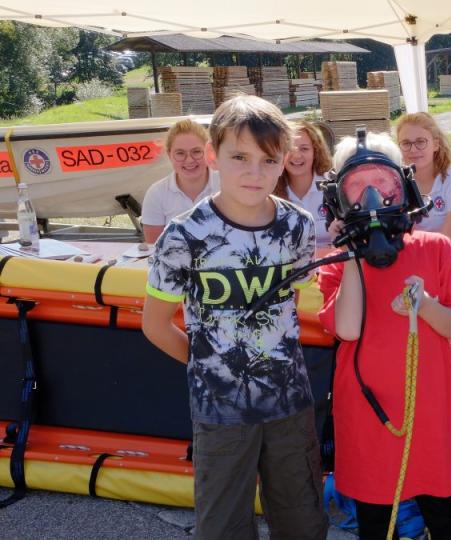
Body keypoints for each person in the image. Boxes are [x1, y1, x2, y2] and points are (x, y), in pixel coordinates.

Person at [141, 95, 327, 540]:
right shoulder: (183, 234)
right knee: (223, 525)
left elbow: (293, 306)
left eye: (268, 160)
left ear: (285, 160)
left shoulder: (298, 227)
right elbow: (155, 324)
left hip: (289, 401)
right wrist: (209, 366)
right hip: (220, 409)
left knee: (301, 517)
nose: (254, 172)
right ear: (213, 156)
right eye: (239, 157)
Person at [317, 131, 451, 540]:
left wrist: (427, 306)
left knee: (440, 509)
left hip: (427, 407)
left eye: (382, 183)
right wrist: (352, 253)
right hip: (367, 411)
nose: (371, 196)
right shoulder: (337, 262)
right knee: (374, 515)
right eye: (357, 187)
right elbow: (347, 328)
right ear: (339, 197)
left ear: (401, 186)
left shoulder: (436, 247)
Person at [396, 112, 451, 277]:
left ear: (435, 144)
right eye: (406, 143)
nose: (413, 149)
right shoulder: (395, 183)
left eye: (421, 142)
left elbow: (449, 244)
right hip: (411, 267)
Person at [141, 119, 220, 243]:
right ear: (169, 155)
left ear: (208, 152)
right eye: (180, 153)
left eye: (196, 152)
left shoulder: (227, 185)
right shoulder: (156, 194)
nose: (189, 160)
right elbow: (154, 249)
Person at [274, 120, 336, 247]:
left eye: (304, 149)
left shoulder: (333, 186)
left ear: (315, 152)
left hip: (334, 263)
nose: (296, 155)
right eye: (290, 148)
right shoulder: (270, 192)